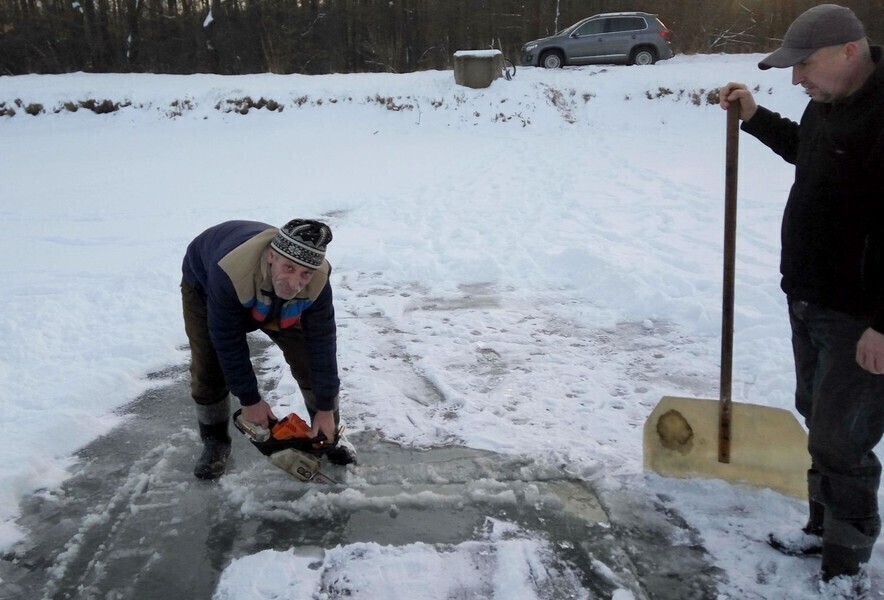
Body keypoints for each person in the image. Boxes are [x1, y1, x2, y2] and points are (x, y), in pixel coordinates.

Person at [719, 3, 884, 585]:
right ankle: (820, 529)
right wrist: (756, 117)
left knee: (845, 438)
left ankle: (848, 565)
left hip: (861, 317)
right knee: (817, 416)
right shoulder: (827, 105)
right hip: (810, 297)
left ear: (850, 51)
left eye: (804, 64)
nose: (797, 79)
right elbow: (806, 154)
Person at [181, 218, 355, 480]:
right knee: (209, 366)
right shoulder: (229, 272)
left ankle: (326, 435)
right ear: (272, 256)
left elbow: (322, 342)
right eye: (289, 268)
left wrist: (326, 408)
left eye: (305, 273)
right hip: (205, 285)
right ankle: (215, 442)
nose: (296, 282)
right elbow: (228, 341)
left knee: (306, 355)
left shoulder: (317, 279)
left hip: (271, 298)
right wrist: (250, 400)